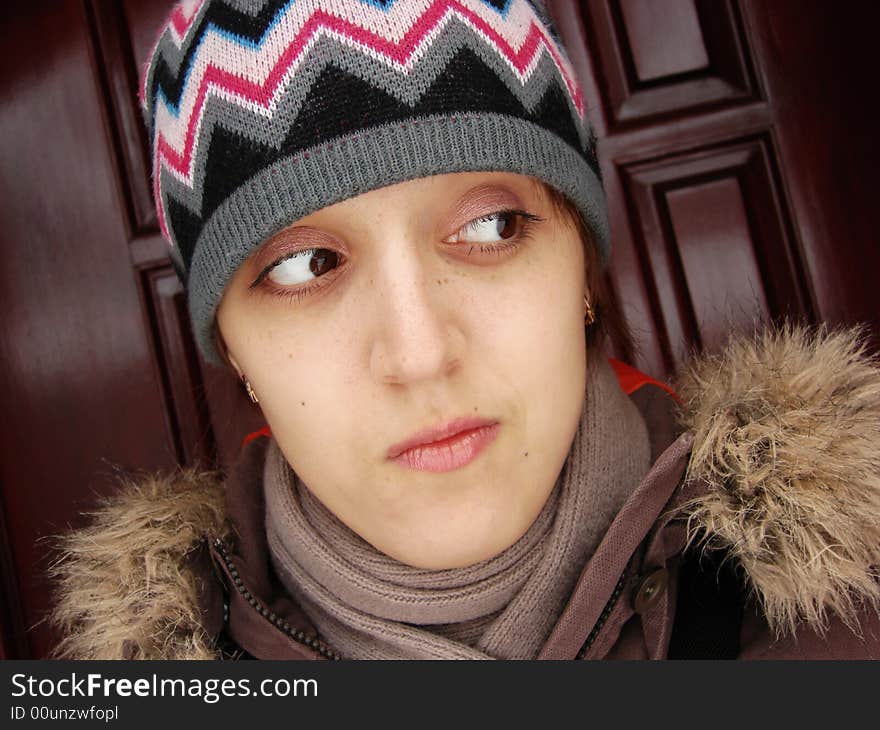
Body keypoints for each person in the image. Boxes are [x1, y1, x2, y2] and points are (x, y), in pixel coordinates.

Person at [50, 0, 879, 660]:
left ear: (581, 275)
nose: (420, 355)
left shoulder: (846, 618)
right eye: (304, 266)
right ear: (232, 344)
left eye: (491, 229)